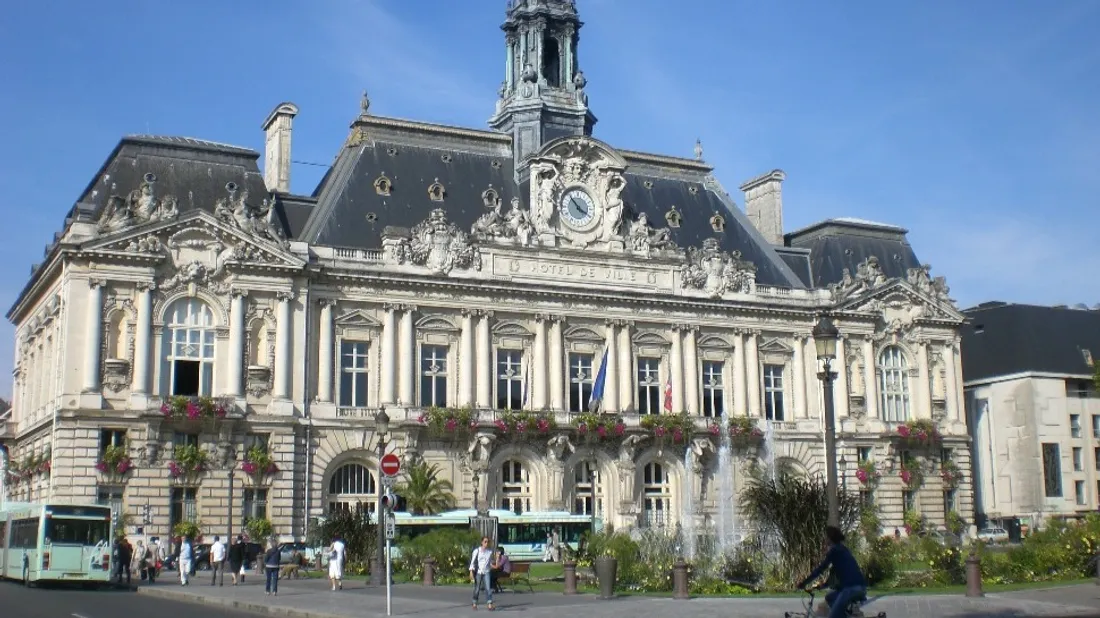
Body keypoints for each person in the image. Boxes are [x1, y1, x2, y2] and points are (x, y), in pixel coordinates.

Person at [797, 526, 867, 618]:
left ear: (829, 538)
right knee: (830, 597)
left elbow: (820, 569)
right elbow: (835, 574)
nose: (824, 539)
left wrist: (803, 583)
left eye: (825, 537)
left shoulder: (834, 551)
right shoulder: (843, 549)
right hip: (860, 588)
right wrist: (823, 585)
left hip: (850, 589)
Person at [469, 536, 495, 611]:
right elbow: (473, 561)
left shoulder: (489, 552)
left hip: (486, 572)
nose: (486, 543)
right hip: (479, 572)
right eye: (485, 542)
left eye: (487, 542)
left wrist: (494, 565)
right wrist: (471, 571)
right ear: (482, 542)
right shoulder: (477, 551)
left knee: (488, 588)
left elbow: (489, 562)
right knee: (477, 588)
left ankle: (489, 604)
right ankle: (474, 603)